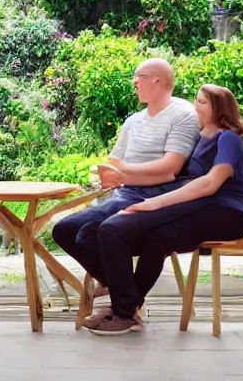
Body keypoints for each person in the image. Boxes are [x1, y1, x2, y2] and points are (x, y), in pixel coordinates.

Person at [82, 84, 243, 336]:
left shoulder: (228, 138)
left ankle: (123, 310)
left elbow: (209, 184)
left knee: (127, 231)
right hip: (203, 205)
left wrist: (156, 203)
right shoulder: (201, 139)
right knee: (155, 240)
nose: (195, 107)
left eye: (202, 102)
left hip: (228, 212)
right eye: (196, 101)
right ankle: (127, 309)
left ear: (219, 109)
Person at [51, 58, 199, 328]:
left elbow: (170, 169)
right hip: (126, 192)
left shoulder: (183, 114)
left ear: (157, 80)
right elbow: (116, 161)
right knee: (64, 230)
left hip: (157, 195)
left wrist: (123, 174)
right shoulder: (133, 121)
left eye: (138, 78)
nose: (134, 84)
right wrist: (106, 174)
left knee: (91, 233)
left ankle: (124, 307)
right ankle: (122, 290)